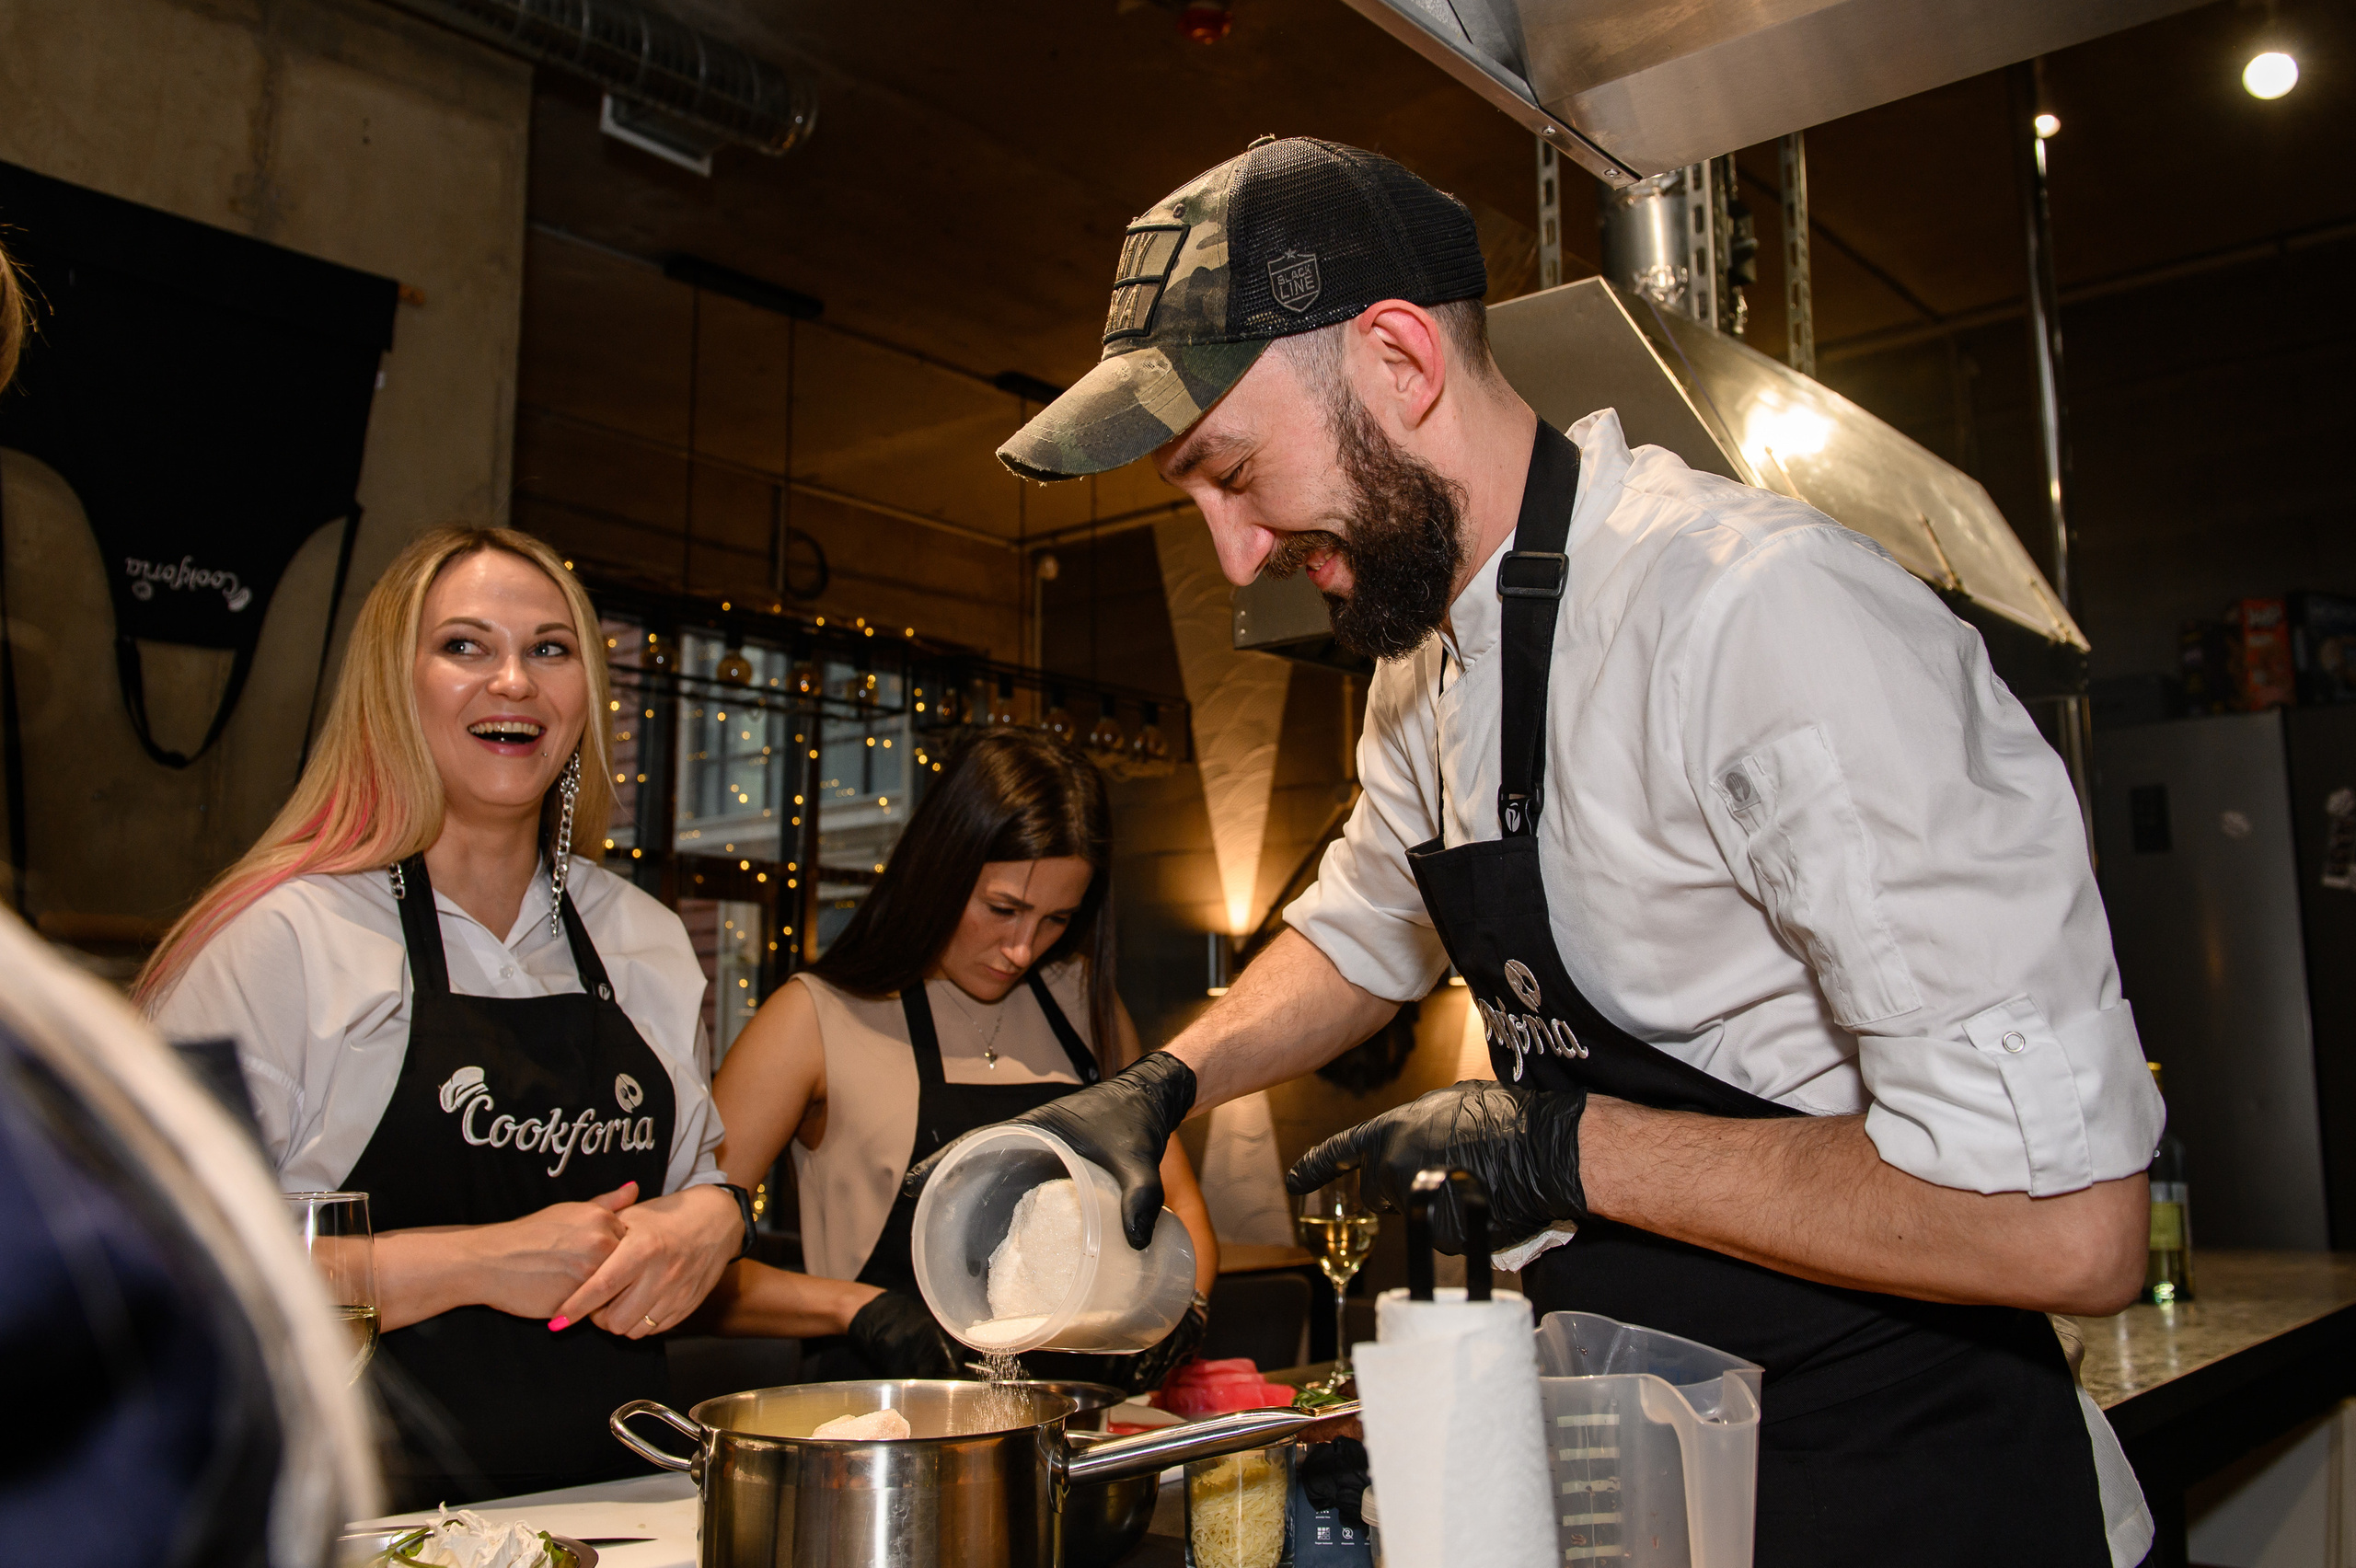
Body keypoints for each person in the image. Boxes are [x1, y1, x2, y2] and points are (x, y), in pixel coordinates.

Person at [934, 137, 2163, 1567]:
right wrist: (1167, 1083)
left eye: (1237, 472)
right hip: (1662, 1470)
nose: (1235, 556)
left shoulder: (1756, 620)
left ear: (1398, 361)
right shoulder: (1424, 669)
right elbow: (1359, 934)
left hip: (1915, 1478)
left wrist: (1568, 1149)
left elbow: (2067, 1230)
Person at [142, 525, 752, 1506]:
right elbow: (164, 1264)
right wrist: (481, 1262)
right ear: (394, 683)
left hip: (625, 1511)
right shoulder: (283, 938)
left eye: (550, 650)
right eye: (464, 646)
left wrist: (714, 1223)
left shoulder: (640, 935)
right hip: (356, 1520)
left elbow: (700, 1185)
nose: (513, 681)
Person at [700, 726, 1218, 1388]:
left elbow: (1185, 1210)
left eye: (1058, 919)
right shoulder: (814, 1018)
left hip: (1074, 1425)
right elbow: (685, 1265)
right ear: (938, 871)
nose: (1024, 949)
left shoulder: (1083, 1005)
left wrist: (1182, 1311)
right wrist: (857, 1309)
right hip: (884, 1431)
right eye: (1004, 908)